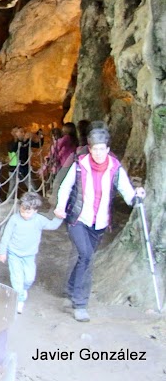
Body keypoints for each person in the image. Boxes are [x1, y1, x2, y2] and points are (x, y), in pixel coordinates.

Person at [54, 127, 146, 322]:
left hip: (100, 222)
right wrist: (60, 207)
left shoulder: (115, 168)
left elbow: (127, 192)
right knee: (86, 257)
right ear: (89, 148)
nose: (98, 153)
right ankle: (80, 303)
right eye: (95, 149)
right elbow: (66, 186)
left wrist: (136, 197)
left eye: (102, 149)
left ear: (107, 149)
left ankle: (70, 289)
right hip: (78, 218)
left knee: (84, 258)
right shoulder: (80, 164)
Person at [0, 192, 63, 314]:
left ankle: (23, 290)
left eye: (27, 212)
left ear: (35, 211)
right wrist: (3, 252)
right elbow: (6, 236)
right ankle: (20, 300)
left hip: (29, 255)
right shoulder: (14, 219)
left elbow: (52, 225)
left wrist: (59, 217)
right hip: (14, 253)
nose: (24, 214)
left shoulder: (39, 220)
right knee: (17, 279)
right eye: (22, 210)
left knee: (29, 278)